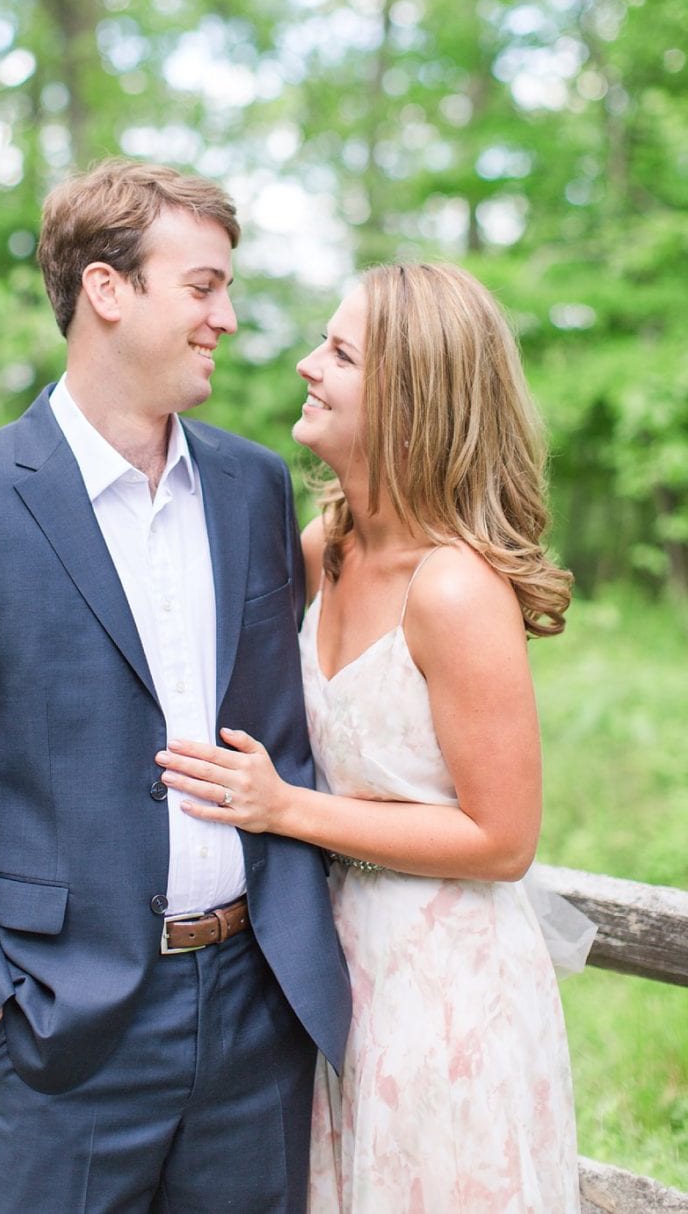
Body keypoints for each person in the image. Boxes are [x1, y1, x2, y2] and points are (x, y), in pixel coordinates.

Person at [0, 158, 351, 1211]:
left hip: (257, 1014)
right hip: (64, 1033)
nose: (226, 317)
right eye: (204, 286)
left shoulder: (255, 487)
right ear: (107, 290)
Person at [157, 262, 587, 1210]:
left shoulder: (455, 588)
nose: (309, 365)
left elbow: (504, 839)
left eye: (341, 353)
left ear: (410, 395)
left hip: (443, 994)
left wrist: (287, 808)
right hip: (334, 973)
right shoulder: (327, 548)